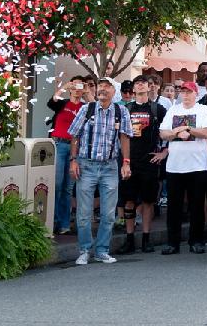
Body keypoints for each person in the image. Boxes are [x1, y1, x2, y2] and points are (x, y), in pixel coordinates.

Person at [66, 78, 133, 265]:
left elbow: (125, 137)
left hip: (110, 166)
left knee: (109, 213)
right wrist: (73, 161)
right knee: (84, 212)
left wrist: (126, 163)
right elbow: (75, 135)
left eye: (107, 87)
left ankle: (102, 250)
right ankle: (85, 250)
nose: (102, 89)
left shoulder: (121, 111)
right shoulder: (87, 109)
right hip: (86, 165)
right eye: (100, 86)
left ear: (114, 91)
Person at [159, 81, 207, 255]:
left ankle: (196, 240)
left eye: (189, 92)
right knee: (174, 206)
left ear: (195, 94)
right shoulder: (173, 110)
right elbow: (163, 133)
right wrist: (177, 132)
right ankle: (172, 242)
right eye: (183, 91)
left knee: (196, 205)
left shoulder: (203, 110)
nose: (185, 94)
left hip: (197, 165)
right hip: (175, 166)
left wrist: (189, 129)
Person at [116, 76, 167, 254]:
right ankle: (129, 239)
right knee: (129, 201)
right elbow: (120, 136)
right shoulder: (125, 109)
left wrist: (164, 152)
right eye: (137, 83)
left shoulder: (157, 109)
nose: (140, 86)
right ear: (133, 89)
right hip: (129, 161)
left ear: (149, 87)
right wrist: (124, 161)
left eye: (144, 83)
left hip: (150, 161)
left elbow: (167, 133)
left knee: (148, 201)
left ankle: (146, 238)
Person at [47, 76, 88, 235]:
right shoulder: (63, 104)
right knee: (57, 184)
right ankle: (54, 220)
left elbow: (94, 106)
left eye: (80, 85)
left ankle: (64, 223)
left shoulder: (85, 107)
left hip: (75, 148)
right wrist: (64, 85)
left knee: (68, 188)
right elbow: (52, 101)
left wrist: (86, 91)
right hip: (58, 144)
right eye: (75, 85)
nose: (77, 88)